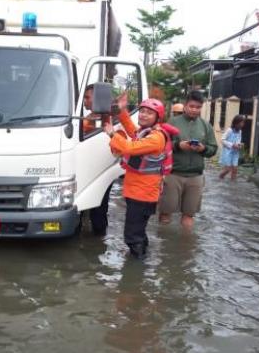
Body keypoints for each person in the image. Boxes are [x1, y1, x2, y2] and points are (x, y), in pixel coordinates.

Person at [103, 95, 179, 258]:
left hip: (143, 194)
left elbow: (129, 147)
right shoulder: (147, 132)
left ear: (157, 117)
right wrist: (121, 111)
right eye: (142, 111)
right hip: (138, 191)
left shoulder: (156, 138)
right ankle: (141, 256)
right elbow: (132, 130)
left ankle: (136, 266)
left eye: (149, 113)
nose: (143, 115)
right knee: (138, 231)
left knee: (132, 234)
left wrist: (111, 134)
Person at [158, 91, 218, 230]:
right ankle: (164, 246)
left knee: (189, 215)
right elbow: (161, 144)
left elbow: (213, 149)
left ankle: (186, 247)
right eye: (191, 106)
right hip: (173, 174)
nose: (194, 109)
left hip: (195, 177)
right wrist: (179, 146)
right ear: (185, 106)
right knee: (166, 213)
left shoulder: (205, 126)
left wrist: (203, 149)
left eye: (198, 107)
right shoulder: (173, 122)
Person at [82, 83, 113, 235]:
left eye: (87, 97)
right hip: (86, 169)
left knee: (99, 209)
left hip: (101, 171)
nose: (84, 101)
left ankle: (98, 239)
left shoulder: (108, 120)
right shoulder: (86, 119)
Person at [219, 115, 245, 180]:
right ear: (236, 123)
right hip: (228, 152)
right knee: (227, 169)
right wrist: (232, 145)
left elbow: (238, 141)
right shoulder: (229, 130)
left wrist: (240, 145)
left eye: (243, 123)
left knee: (235, 170)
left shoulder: (240, 131)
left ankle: (233, 184)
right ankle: (220, 177)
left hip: (235, 152)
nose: (242, 124)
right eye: (241, 122)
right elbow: (222, 140)